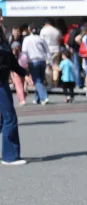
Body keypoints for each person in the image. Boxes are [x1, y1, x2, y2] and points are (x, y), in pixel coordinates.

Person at [0, 14, 27, 166]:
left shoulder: (2, 35)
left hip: (3, 81)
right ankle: (9, 156)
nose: (1, 19)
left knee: (4, 119)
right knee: (9, 118)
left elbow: (10, 59)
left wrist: (24, 73)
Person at [21, 27, 49, 105]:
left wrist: (24, 63)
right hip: (42, 61)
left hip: (32, 61)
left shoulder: (26, 39)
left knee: (37, 80)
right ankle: (37, 98)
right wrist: (49, 60)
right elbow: (47, 49)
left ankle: (44, 97)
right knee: (40, 80)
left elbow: (24, 51)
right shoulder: (40, 39)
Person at [40, 19, 62, 87]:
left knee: (48, 67)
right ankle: (55, 83)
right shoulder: (57, 30)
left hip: (47, 50)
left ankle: (50, 83)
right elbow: (60, 39)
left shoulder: (43, 30)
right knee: (56, 66)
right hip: (56, 49)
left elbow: (41, 41)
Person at [9, 41, 26, 105]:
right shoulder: (23, 55)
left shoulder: (12, 55)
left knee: (19, 86)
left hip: (16, 73)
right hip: (23, 71)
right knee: (22, 85)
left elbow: (11, 67)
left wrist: (11, 77)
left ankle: (22, 99)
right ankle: (23, 97)